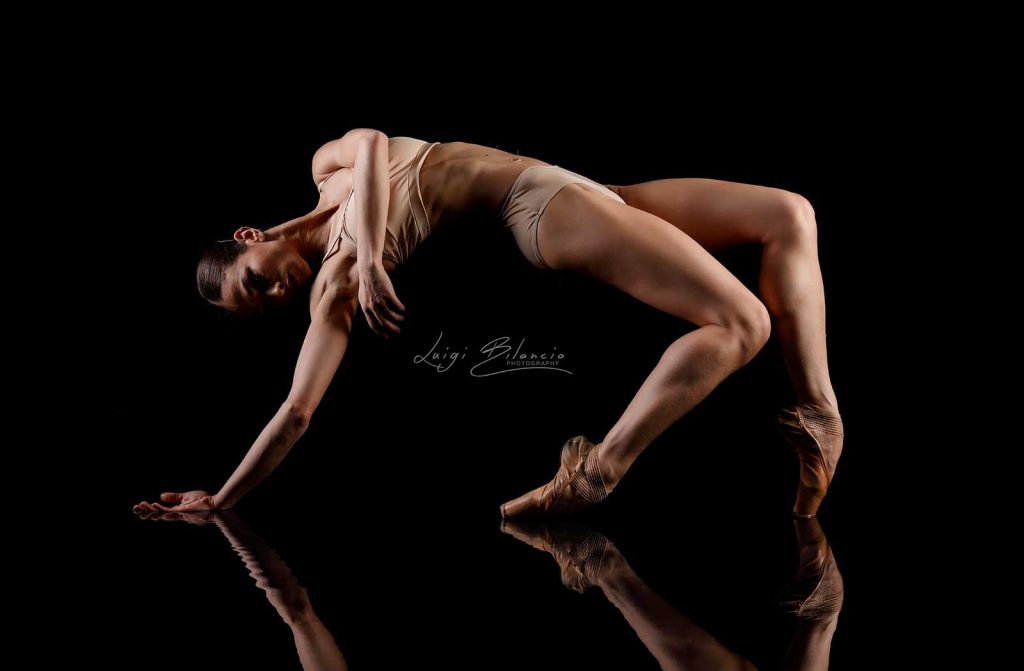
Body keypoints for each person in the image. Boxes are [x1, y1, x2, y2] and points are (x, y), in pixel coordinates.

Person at [132, 129, 844, 520]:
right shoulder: (340, 285)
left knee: (790, 215)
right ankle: (599, 468)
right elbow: (294, 411)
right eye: (264, 306)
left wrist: (374, 254)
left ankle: (818, 413)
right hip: (542, 213)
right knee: (741, 322)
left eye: (257, 281)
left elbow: (376, 142)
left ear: (251, 236)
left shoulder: (327, 168)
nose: (279, 292)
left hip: (576, 182)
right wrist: (222, 496)